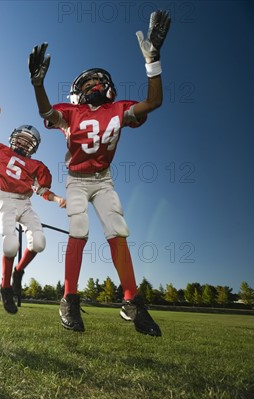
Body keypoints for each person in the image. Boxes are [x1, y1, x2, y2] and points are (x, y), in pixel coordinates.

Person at [28, 10, 171, 336]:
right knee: (78, 229)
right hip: (77, 178)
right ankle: (69, 297)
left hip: (103, 178)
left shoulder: (117, 110)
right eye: (88, 83)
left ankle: (132, 300)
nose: (95, 84)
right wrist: (38, 84)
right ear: (77, 93)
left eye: (99, 82)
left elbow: (154, 102)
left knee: (117, 232)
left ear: (109, 90)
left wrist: (154, 62)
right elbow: (46, 112)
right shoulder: (70, 113)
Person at [0, 106, 66, 314]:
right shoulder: (0, 150)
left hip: (25, 203)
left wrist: (56, 199)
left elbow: (42, 189)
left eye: (29, 142)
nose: (24, 144)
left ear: (33, 148)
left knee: (39, 242)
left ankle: (18, 272)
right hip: (5, 199)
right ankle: (5, 286)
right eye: (22, 139)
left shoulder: (36, 165)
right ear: (13, 138)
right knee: (10, 246)